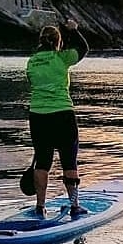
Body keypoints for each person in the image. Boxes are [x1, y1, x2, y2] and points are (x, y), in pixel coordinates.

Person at [26, 18, 89, 218]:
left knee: (42, 161)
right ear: (57, 41)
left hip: (38, 116)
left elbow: (32, 82)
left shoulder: (31, 62)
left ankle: (40, 206)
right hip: (62, 114)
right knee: (69, 162)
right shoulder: (62, 58)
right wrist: (73, 30)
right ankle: (74, 205)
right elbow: (84, 48)